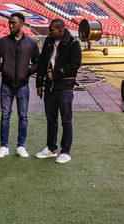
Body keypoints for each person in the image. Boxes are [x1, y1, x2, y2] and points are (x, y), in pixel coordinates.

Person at [0, 12, 40, 159]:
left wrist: (28, 72)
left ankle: (21, 146)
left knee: (23, 116)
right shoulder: (3, 42)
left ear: (22, 24)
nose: (10, 25)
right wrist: (3, 69)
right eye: (10, 23)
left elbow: (37, 62)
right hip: (6, 84)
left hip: (23, 85)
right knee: (5, 116)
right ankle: (4, 146)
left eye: (13, 23)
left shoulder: (31, 43)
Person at [35, 19, 82, 164]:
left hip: (65, 87)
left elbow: (76, 64)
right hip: (50, 87)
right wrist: (39, 83)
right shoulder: (49, 41)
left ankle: (66, 152)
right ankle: (51, 149)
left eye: (51, 30)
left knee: (66, 120)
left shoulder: (73, 43)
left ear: (61, 30)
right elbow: (42, 62)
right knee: (51, 119)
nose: (49, 32)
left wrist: (56, 73)